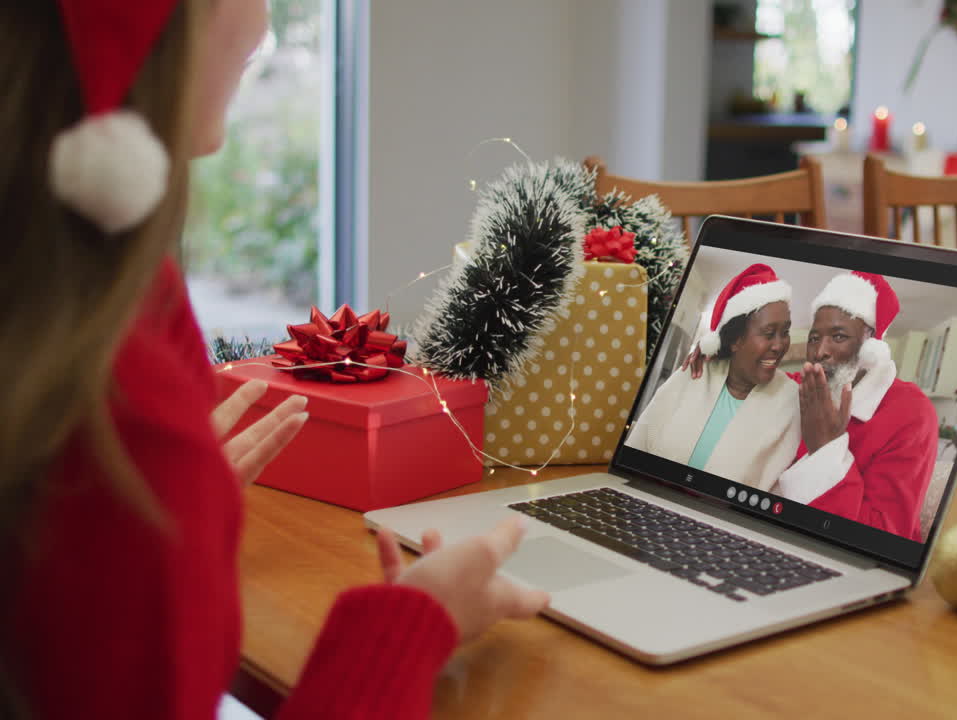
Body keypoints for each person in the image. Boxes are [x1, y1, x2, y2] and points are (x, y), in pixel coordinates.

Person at [0, 2, 547, 718]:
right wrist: (414, 621)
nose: (263, 26)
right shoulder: (118, 413)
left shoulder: (85, 328)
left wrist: (182, 518)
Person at [775, 271, 938, 541]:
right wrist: (716, 359)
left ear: (870, 347)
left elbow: (884, 537)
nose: (819, 352)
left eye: (838, 337)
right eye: (814, 338)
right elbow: (756, 380)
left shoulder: (913, 414)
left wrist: (825, 450)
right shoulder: (802, 387)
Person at [626, 264, 800, 490]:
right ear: (735, 340)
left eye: (785, 332)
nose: (779, 345)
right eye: (769, 334)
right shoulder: (693, 374)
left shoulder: (792, 399)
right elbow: (637, 451)